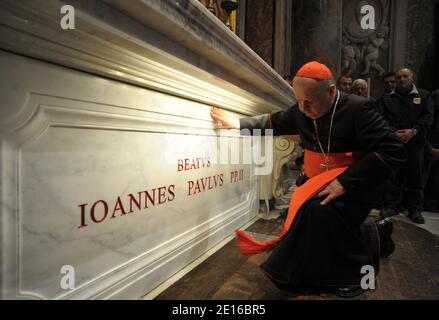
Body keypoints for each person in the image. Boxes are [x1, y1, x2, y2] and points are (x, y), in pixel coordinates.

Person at [211, 61, 405, 297]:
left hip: (356, 184)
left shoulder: (360, 109)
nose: (303, 109)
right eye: (299, 101)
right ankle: (375, 235)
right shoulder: (303, 109)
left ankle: (353, 273)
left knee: (318, 213)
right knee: (312, 214)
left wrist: (345, 182)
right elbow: (274, 122)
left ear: (331, 91)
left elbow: (392, 150)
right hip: (317, 181)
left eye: (309, 102)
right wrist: (236, 124)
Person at [377, 68, 433, 224]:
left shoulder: (423, 95)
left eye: (405, 76)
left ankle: (415, 209)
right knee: (392, 175)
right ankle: (393, 205)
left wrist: (413, 131)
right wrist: (394, 133)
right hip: (394, 143)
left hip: (415, 144)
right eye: (399, 77)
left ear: (412, 77)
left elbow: (428, 117)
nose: (401, 79)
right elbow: (380, 119)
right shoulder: (386, 98)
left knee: (415, 176)